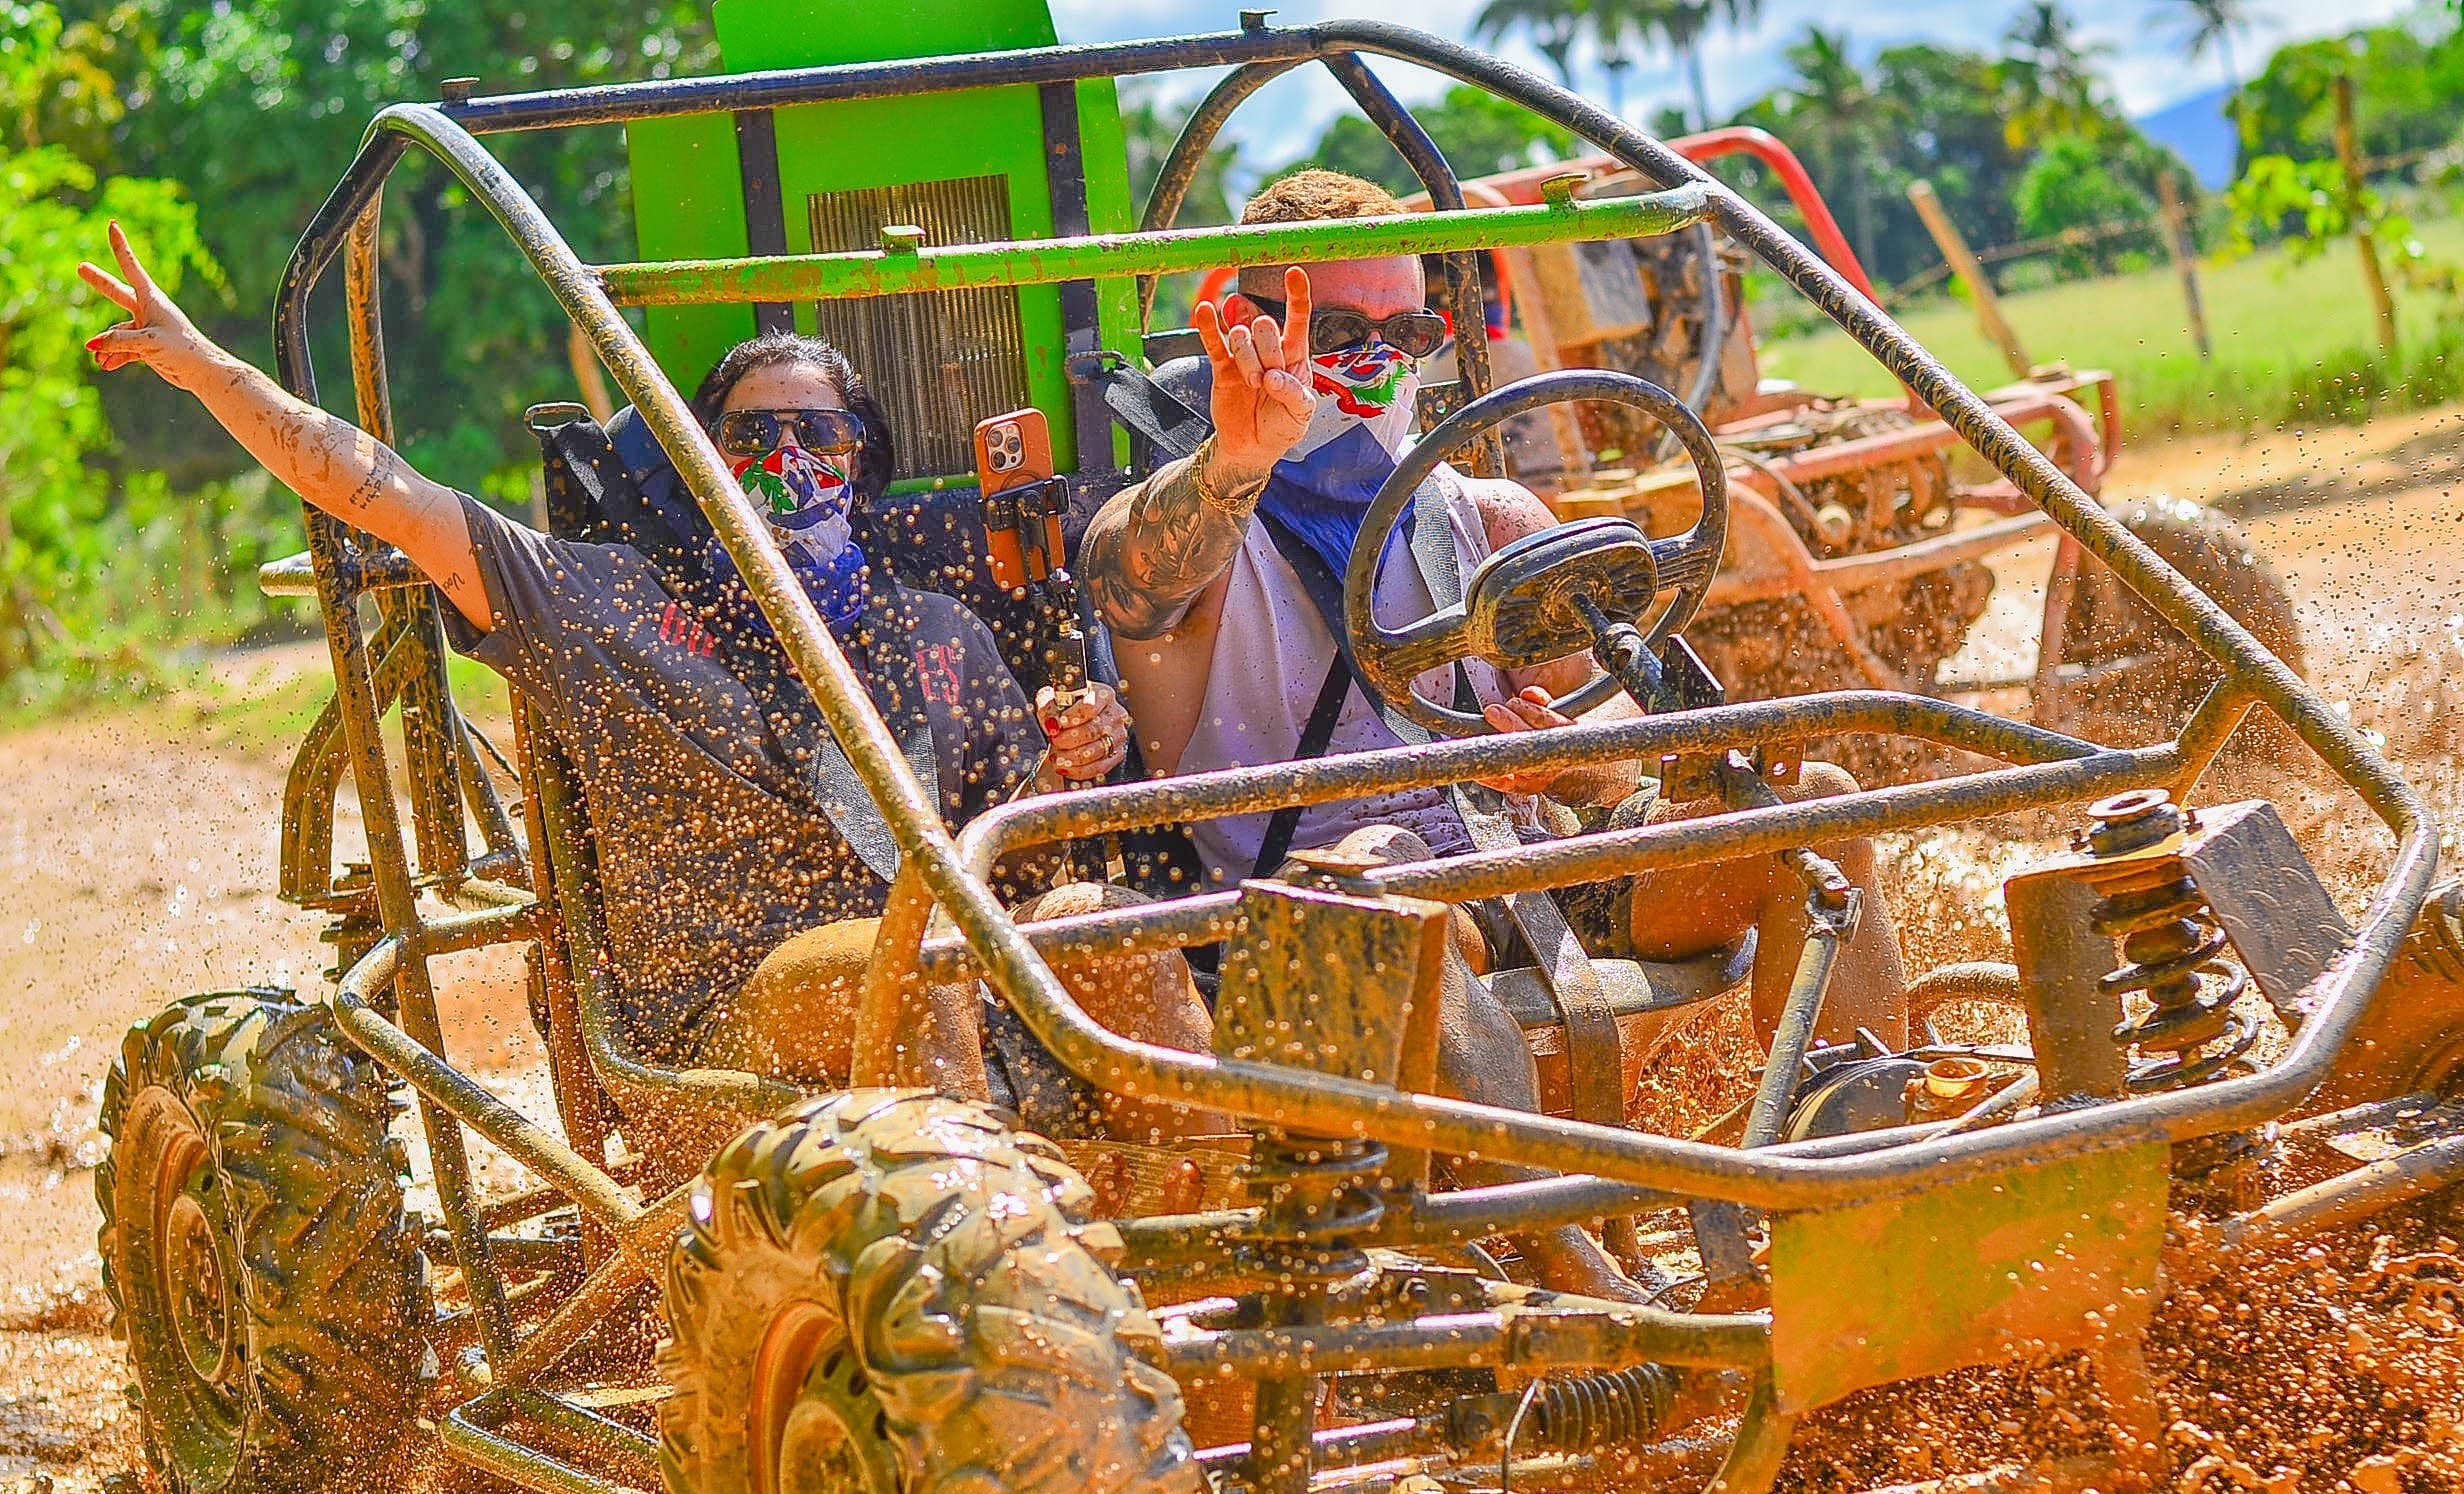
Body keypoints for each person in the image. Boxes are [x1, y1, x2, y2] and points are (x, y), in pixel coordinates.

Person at [79, 223, 1223, 1176]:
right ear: (705, 464)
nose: (786, 454)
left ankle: (1226, 1292)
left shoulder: (938, 637)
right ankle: (987, 1319)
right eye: (749, 435)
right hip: (713, 1041)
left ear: (861, 459)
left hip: (945, 1000)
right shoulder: (607, 603)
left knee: (1097, 923)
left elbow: (1011, 870)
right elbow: (379, 492)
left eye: (814, 432)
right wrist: (200, 368)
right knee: (911, 962)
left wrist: (1066, 769)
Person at [1079, 170, 1910, 1297]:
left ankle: (1858, 1199)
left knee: (1813, 798)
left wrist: (1560, 743)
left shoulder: (1484, 518)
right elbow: (1131, 583)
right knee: (1389, 888)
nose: (1377, 359)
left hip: (1527, 872)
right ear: (1251, 325)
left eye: (1405, 328)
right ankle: (1578, 1279)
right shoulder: (1196, 537)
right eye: (1337, 329)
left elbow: (1610, 711)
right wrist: (1237, 457)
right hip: (1315, 920)